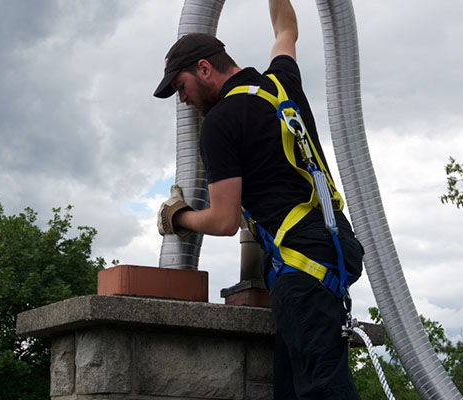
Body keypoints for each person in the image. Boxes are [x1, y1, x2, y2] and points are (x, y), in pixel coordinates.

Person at [154, 1, 364, 398]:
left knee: (324, 391)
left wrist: (178, 217)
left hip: (301, 268)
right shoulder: (281, 82)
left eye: (181, 87)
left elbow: (223, 221)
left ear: (203, 68)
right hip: (332, 247)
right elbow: (286, 30)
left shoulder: (219, 125)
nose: (182, 100)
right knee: (292, 388)